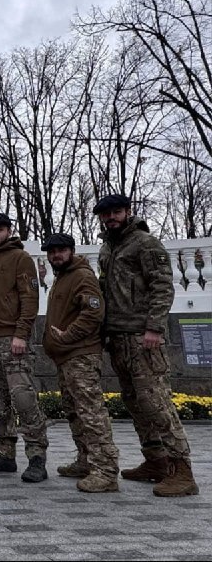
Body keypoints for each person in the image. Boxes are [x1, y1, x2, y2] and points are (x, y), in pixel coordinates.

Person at [95, 194, 199, 496]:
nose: (111, 217)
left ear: (128, 212)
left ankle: (183, 471)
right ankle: (155, 460)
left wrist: (154, 327)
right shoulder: (108, 247)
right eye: (106, 214)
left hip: (143, 338)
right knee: (135, 402)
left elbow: (163, 285)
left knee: (156, 403)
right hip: (118, 337)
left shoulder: (145, 243)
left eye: (116, 212)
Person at [0, 213, 49, 483]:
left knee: (23, 398)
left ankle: (37, 456)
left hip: (12, 339)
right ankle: (5, 453)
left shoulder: (21, 259)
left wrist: (21, 334)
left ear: (8, 231)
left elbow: (30, 298)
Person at [42, 233, 119, 493]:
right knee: (74, 411)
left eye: (61, 250)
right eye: (52, 252)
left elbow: (94, 312)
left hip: (81, 355)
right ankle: (86, 460)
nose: (56, 255)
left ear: (72, 251)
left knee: (91, 413)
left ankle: (106, 471)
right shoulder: (63, 277)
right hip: (66, 356)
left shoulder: (82, 276)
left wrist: (67, 336)